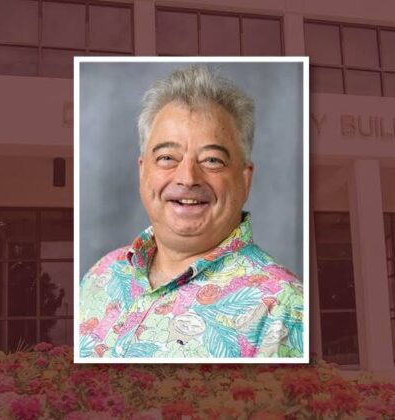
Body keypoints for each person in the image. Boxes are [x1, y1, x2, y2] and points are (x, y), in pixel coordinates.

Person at [78, 65, 303, 359]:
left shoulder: (283, 306)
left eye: (211, 160)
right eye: (167, 157)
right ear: (143, 171)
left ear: (245, 180)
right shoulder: (101, 276)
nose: (187, 178)